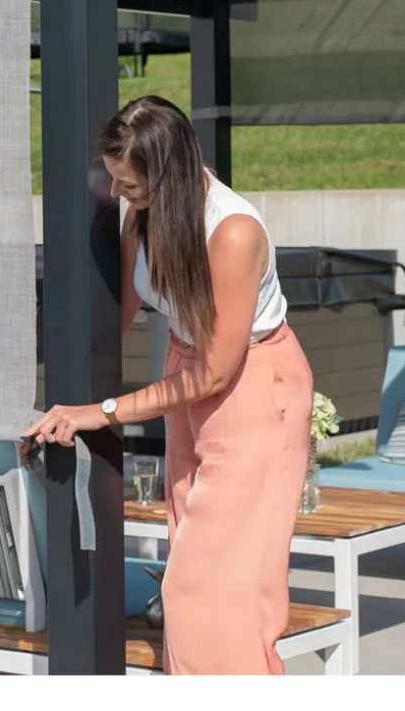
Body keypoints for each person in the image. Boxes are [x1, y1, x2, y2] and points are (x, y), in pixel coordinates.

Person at [22, 94, 313, 676]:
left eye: (128, 185)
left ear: (168, 175)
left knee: (217, 588)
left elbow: (215, 372)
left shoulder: (232, 232)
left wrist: (101, 410)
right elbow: (117, 318)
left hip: (252, 386)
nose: (116, 193)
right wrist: (46, 391)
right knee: (188, 569)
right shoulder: (145, 214)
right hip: (187, 369)